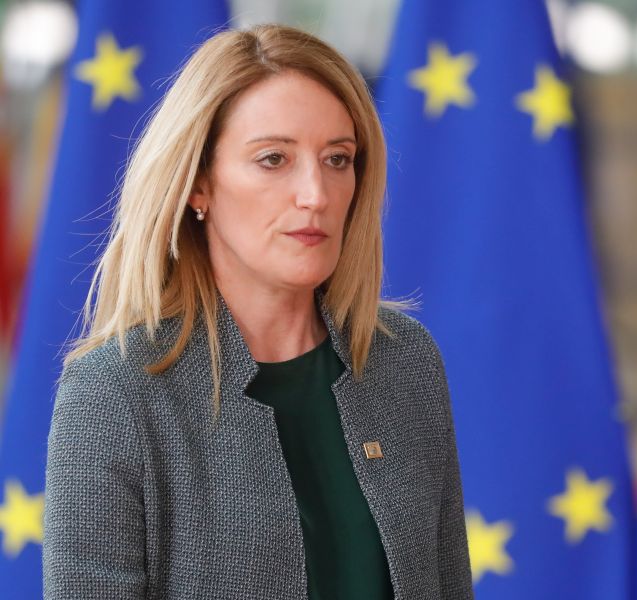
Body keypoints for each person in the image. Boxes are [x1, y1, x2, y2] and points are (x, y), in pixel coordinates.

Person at [42, 24, 473, 600]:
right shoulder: (114, 392)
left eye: (337, 159)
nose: (315, 194)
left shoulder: (405, 361)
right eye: (273, 159)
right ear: (199, 184)